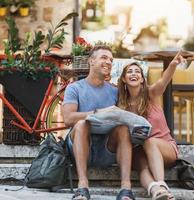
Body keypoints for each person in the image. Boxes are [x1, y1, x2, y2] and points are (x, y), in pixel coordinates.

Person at [62, 45, 135, 200]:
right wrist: (97, 114)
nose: (108, 62)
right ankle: (82, 186)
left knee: (122, 128)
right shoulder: (74, 88)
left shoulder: (115, 91)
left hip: (106, 149)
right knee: (81, 124)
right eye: (104, 57)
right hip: (81, 147)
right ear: (91, 61)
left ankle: (126, 189)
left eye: (110, 59)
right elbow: (68, 119)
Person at [117, 52, 185, 200]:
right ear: (124, 78)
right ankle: (155, 191)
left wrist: (173, 65)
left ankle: (161, 184)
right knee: (142, 167)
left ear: (142, 79)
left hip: (165, 147)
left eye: (137, 72)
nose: (133, 74)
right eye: (129, 72)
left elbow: (164, 81)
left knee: (150, 141)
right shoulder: (122, 105)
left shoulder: (151, 94)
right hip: (140, 150)